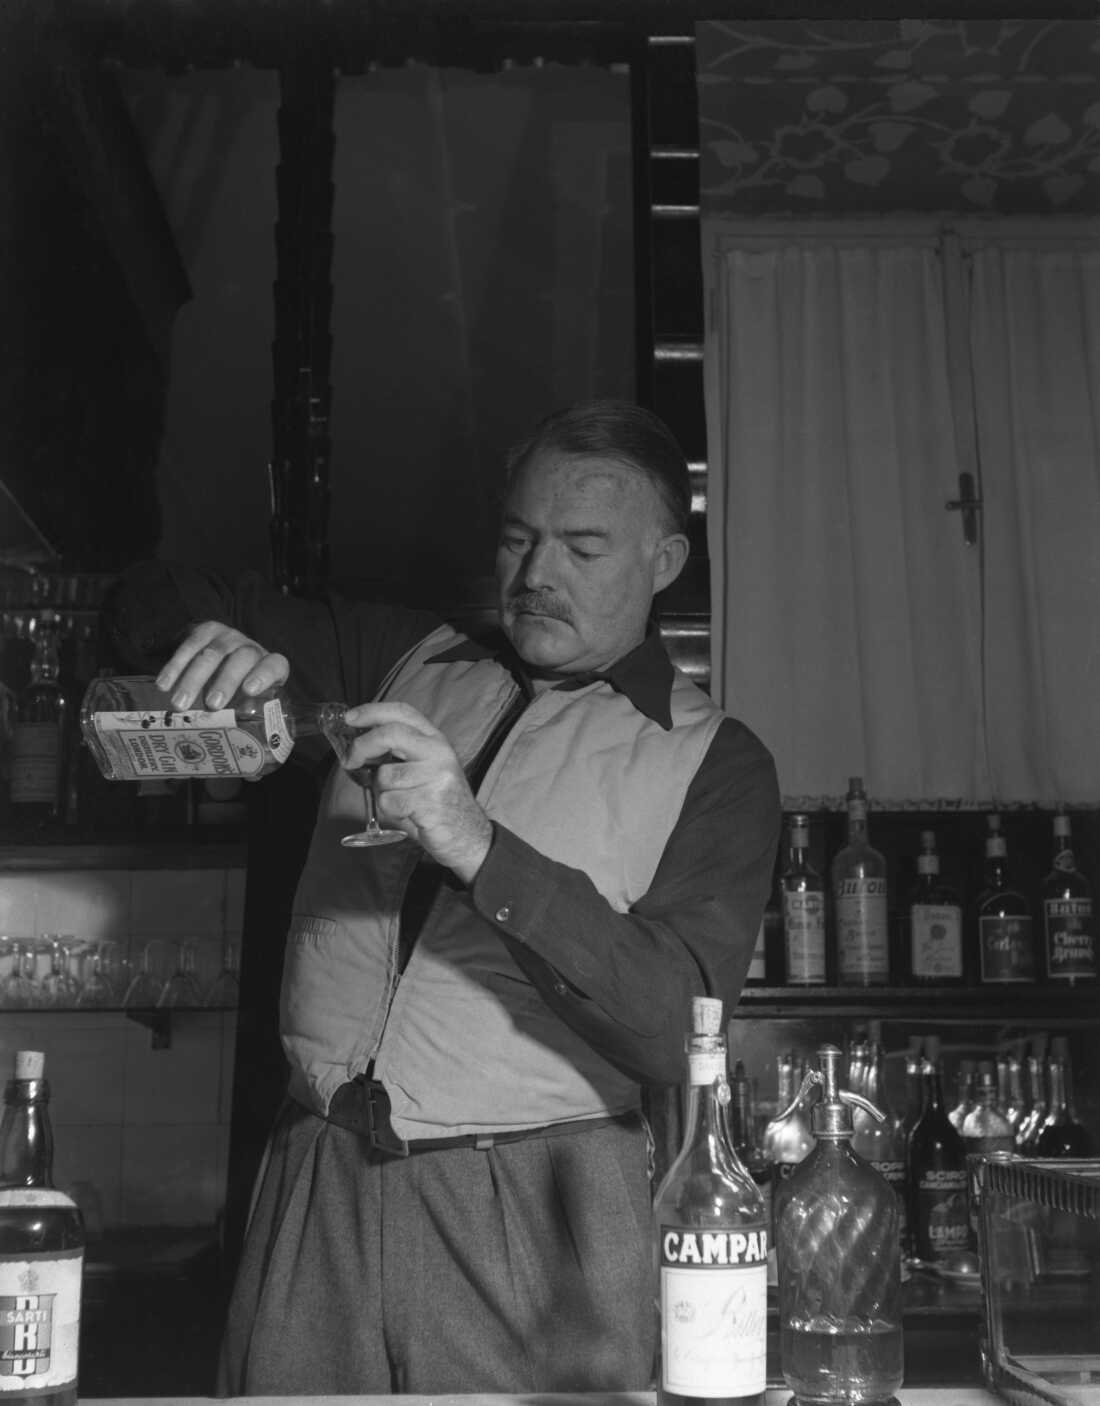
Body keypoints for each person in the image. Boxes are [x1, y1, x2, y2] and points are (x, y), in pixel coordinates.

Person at [107, 398, 780, 1396]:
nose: (534, 575)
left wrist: (474, 842)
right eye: (518, 538)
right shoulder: (401, 654)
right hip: (314, 1172)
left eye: (582, 547)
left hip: (536, 1203)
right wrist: (202, 641)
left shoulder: (714, 760)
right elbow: (144, 592)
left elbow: (675, 1025)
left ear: (664, 560)